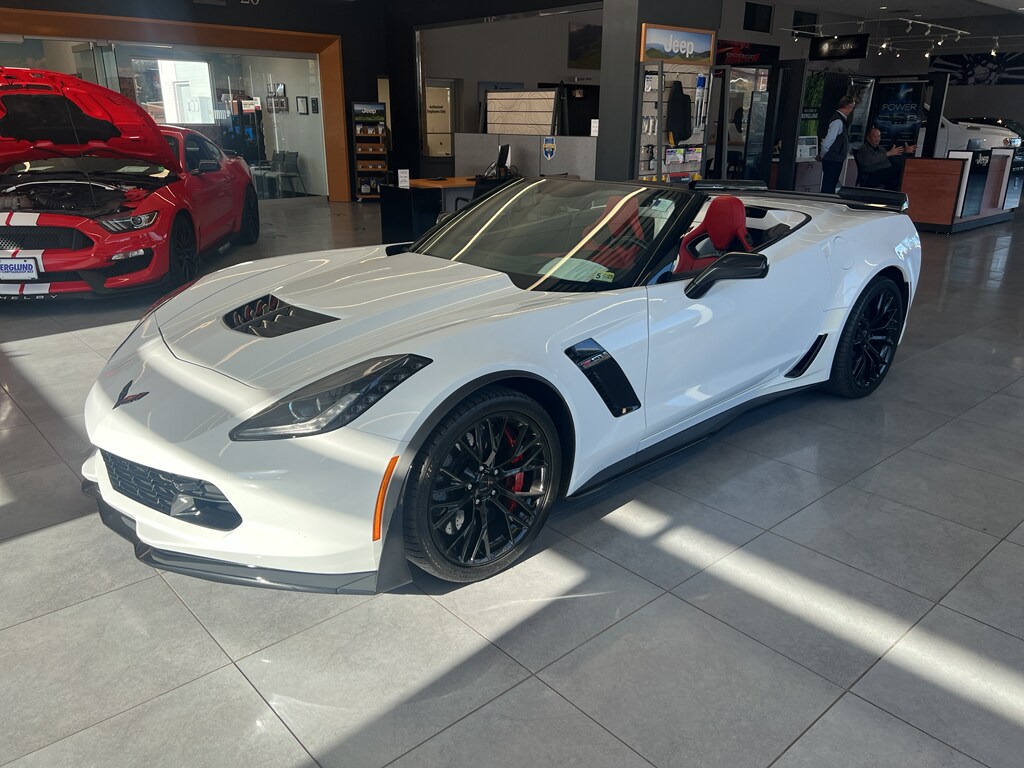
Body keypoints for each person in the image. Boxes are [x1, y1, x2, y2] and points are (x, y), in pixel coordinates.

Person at [856, 126, 916, 190]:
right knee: (898, 171)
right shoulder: (864, 148)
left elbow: (890, 157)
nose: (877, 139)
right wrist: (887, 154)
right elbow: (868, 161)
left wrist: (904, 151)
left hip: (884, 172)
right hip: (872, 175)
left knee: (901, 167)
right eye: (875, 136)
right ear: (868, 138)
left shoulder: (880, 148)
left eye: (879, 136)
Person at [819, 95, 856, 194]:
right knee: (829, 185)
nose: (852, 110)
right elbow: (828, 140)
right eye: (852, 107)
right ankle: (825, 204)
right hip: (832, 158)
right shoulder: (838, 121)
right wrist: (823, 154)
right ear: (847, 106)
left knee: (830, 183)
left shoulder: (840, 120)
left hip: (834, 157)